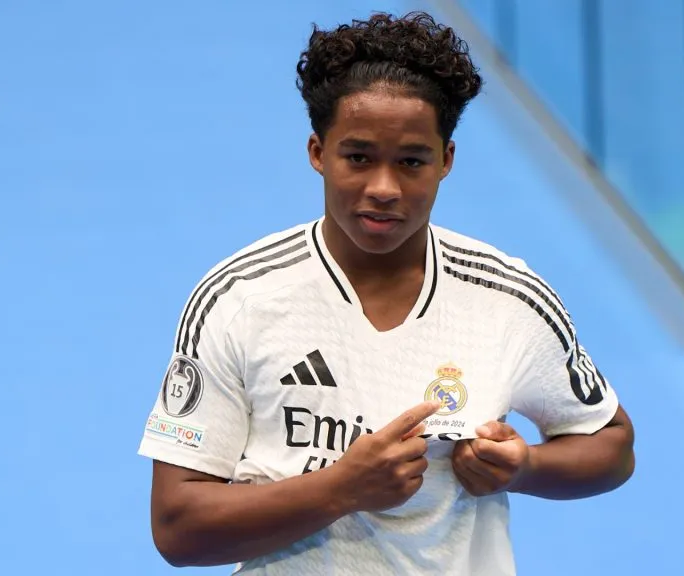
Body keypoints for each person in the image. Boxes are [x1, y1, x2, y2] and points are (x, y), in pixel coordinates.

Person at [138, 11, 635, 575]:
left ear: (445, 160)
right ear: (317, 152)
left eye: (411, 162)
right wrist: (342, 488)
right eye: (358, 158)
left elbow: (612, 445)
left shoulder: (508, 298)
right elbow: (177, 527)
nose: (383, 188)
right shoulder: (240, 298)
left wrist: (526, 468)